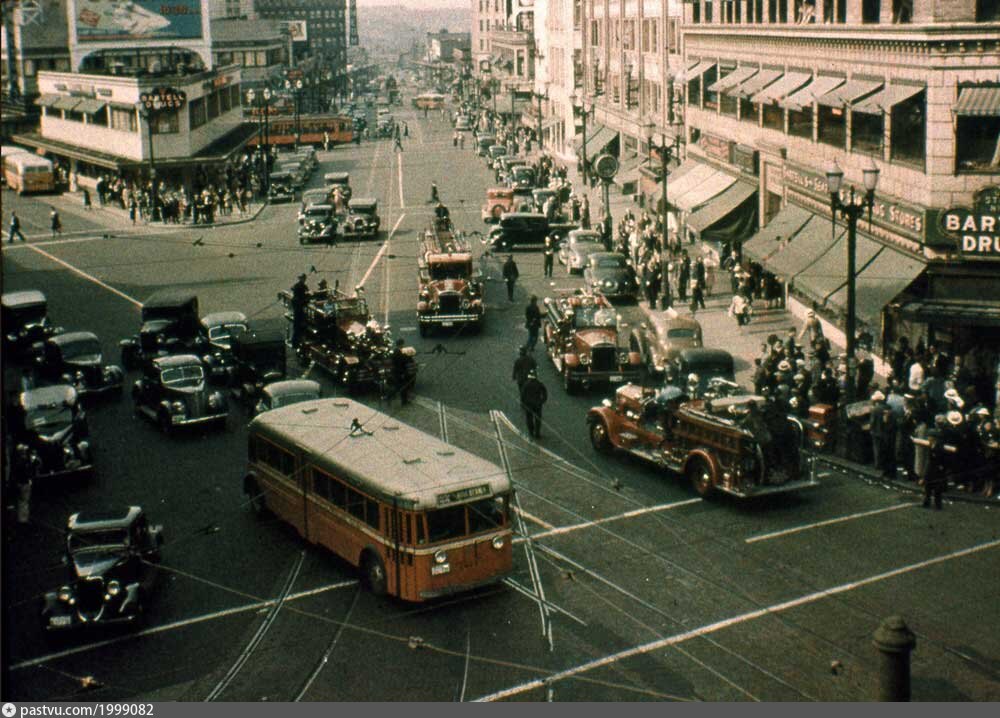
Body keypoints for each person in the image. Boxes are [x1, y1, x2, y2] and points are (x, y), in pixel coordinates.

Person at [520, 370, 548, 439]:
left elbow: (522, 395)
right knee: (538, 419)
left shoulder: (526, 384)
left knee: (529, 418)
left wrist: (523, 403)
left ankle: (531, 431)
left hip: (528, 404)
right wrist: (542, 401)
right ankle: (537, 433)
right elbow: (544, 393)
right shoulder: (539, 384)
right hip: (537, 404)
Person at [392, 338, 415, 404]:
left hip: (397, 371)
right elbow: (402, 362)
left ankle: (404, 400)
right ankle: (403, 401)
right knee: (403, 386)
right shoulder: (399, 353)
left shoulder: (396, 351)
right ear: (401, 344)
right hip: (400, 372)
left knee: (401, 386)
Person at [290, 273, 309, 349]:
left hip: (299, 307)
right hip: (298, 307)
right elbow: (302, 295)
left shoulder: (301, 286)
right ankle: (295, 343)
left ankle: (297, 342)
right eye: (302, 278)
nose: (303, 280)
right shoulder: (299, 286)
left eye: (303, 278)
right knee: (297, 325)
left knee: (299, 326)